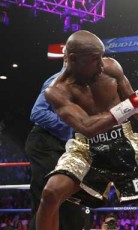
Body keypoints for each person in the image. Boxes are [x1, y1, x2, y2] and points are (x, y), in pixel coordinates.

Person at [35, 30, 138, 230]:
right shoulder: (56, 91)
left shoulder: (111, 67)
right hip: (86, 148)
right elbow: (87, 127)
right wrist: (129, 106)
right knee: (50, 194)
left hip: (125, 143)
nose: (101, 63)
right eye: (95, 59)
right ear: (73, 59)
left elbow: (134, 100)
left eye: (101, 57)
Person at [24, 49, 84, 230]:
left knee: (62, 202)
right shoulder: (58, 81)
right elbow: (37, 113)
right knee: (50, 199)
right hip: (44, 142)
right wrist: (68, 123)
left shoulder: (79, 85)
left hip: (59, 144)